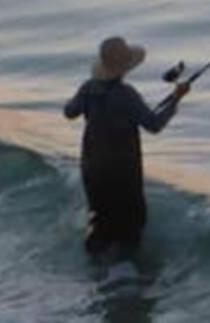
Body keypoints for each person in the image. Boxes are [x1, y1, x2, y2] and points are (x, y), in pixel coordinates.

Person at [64, 36, 190, 255]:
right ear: (125, 67)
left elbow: (69, 112)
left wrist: (84, 102)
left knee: (100, 219)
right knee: (131, 225)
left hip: (92, 167)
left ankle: (96, 271)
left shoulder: (88, 89)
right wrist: (175, 99)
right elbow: (154, 124)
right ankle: (128, 276)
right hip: (123, 170)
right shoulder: (127, 95)